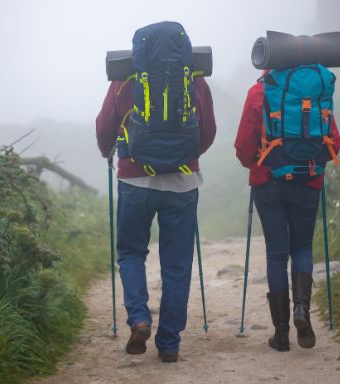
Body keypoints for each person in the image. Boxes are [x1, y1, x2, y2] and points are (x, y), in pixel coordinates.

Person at [95, 23, 216, 363]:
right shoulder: (193, 77)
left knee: (132, 253)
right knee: (176, 265)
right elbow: (207, 131)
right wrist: (187, 156)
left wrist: (108, 150)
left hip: (134, 180)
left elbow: (105, 126)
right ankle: (170, 344)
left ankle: (140, 318)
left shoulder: (126, 76)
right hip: (183, 183)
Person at [234, 70, 340, 352]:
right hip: (308, 179)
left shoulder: (259, 92)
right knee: (303, 248)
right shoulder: (317, 90)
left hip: (267, 181)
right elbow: (335, 143)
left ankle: (281, 333)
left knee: (276, 253)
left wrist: (254, 162)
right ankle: (302, 311)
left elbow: (243, 147)